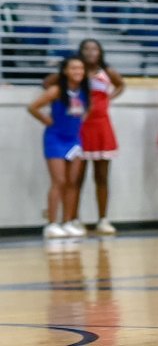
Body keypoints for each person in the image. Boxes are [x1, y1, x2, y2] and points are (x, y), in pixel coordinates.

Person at [43, 39, 124, 235]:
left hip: (102, 125)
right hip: (79, 128)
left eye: (94, 48)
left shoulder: (107, 71)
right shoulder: (75, 74)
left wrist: (107, 99)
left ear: (100, 51)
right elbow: (48, 83)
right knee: (75, 178)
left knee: (102, 176)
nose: (90, 52)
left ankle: (103, 219)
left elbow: (121, 85)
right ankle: (73, 218)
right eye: (86, 48)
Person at [28, 55, 90, 239]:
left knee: (73, 182)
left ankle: (68, 221)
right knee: (59, 181)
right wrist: (47, 120)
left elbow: (87, 110)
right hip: (55, 139)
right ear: (65, 71)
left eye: (80, 68)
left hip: (74, 140)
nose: (78, 72)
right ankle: (52, 223)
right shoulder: (56, 90)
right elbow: (33, 107)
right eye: (73, 68)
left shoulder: (84, 91)